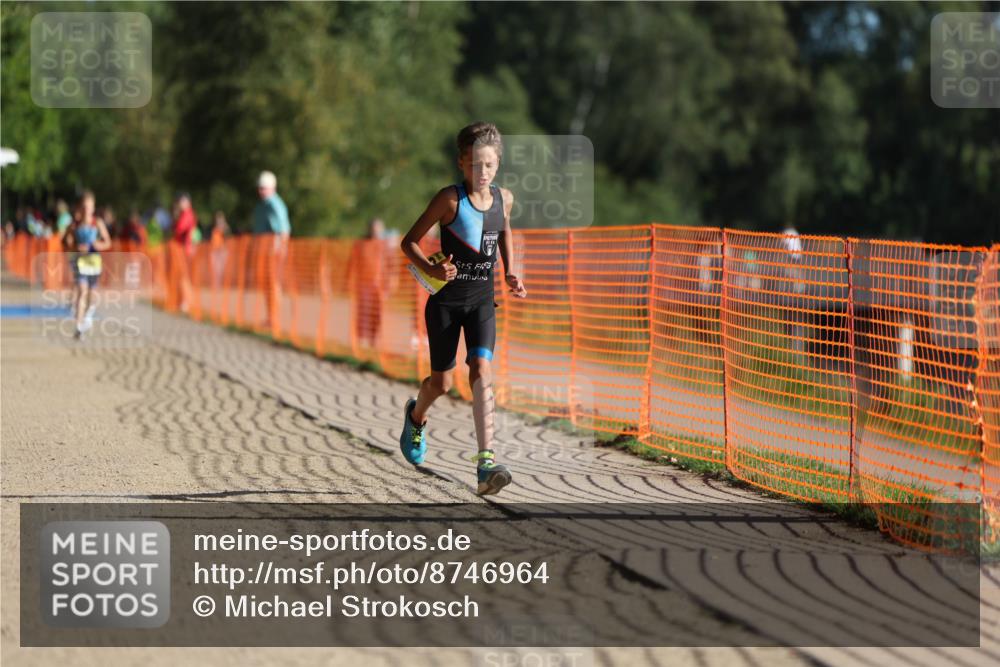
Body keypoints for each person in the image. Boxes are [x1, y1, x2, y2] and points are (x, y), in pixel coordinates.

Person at [399, 121, 527, 495]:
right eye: (474, 165)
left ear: (498, 165)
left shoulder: (505, 198)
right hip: (445, 303)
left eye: (488, 165)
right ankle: (416, 415)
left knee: (481, 369)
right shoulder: (449, 200)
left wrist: (511, 271)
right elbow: (409, 242)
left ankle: (486, 464)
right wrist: (432, 268)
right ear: (461, 163)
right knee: (442, 383)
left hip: (483, 301)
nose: (481, 173)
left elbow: (503, 230)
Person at [60, 191, 111, 339]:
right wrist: (75, 247)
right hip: (80, 263)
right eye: (83, 207)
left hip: (94, 263)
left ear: (93, 208)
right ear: (79, 208)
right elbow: (64, 243)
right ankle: (78, 327)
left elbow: (108, 242)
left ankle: (88, 315)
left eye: (89, 207)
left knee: (91, 296)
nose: (86, 210)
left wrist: (96, 244)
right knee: (82, 291)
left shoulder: (98, 223)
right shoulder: (74, 225)